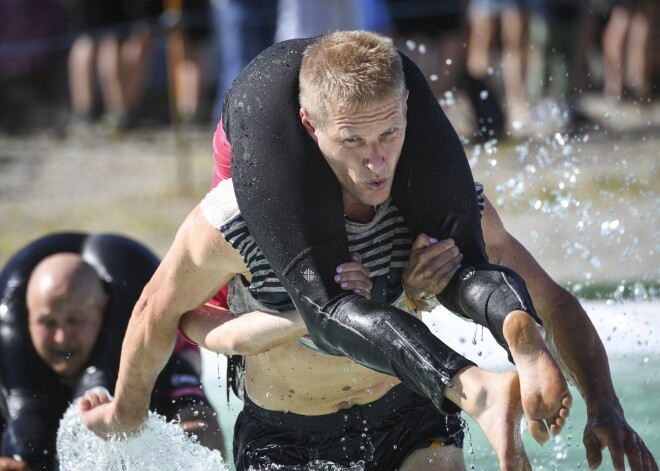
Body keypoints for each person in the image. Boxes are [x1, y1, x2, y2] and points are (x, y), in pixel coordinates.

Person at [0, 232, 225, 471]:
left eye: (75, 320)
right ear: (27, 319)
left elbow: (209, 440)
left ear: (103, 311)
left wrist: (147, 446)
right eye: (48, 323)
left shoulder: (164, 361)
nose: (62, 338)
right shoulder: (9, 364)